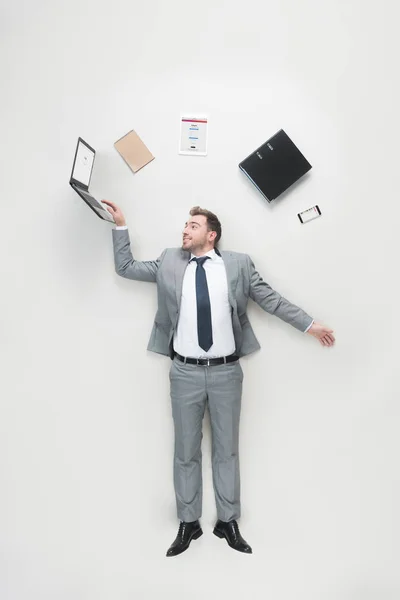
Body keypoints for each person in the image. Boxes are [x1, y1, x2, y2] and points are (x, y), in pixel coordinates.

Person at [102, 199, 335, 557]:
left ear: (211, 235)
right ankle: (189, 522)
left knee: (226, 450)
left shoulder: (238, 265)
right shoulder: (168, 261)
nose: (185, 229)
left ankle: (227, 521)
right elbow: (126, 267)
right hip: (184, 373)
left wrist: (309, 324)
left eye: (192, 225)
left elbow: (270, 300)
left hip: (227, 372)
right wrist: (120, 225)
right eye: (185, 225)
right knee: (186, 451)